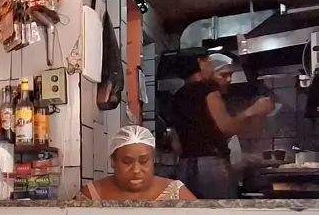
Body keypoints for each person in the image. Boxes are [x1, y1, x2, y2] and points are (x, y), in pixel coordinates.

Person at [168, 52, 273, 198]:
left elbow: (176, 145)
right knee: (220, 214)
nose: (211, 64)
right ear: (200, 63)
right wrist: (253, 111)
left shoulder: (176, 97)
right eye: (208, 60)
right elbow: (225, 128)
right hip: (211, 168)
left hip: (184, 167)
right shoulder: (208, 89)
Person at [77, 125, 196, 202]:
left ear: (153, 160)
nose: (136, 170)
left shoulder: (176, 194)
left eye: (144, 161)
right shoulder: (91, 196)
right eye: (127, 162)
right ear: (113, 162)